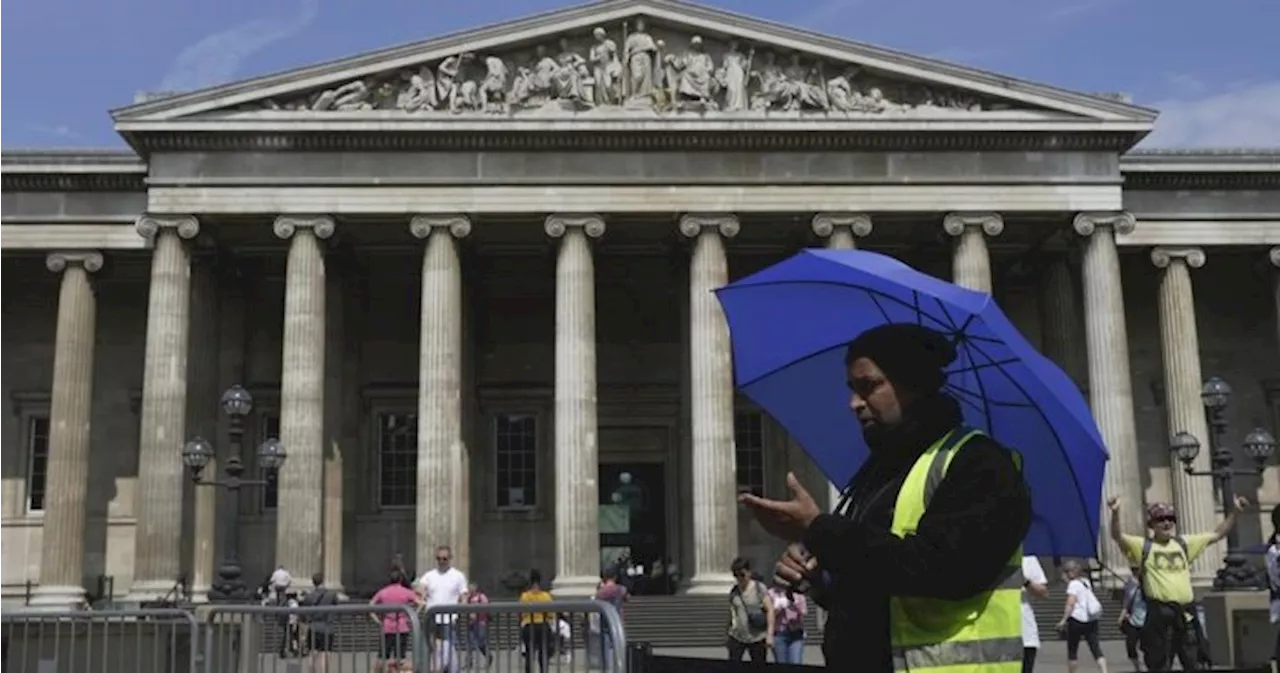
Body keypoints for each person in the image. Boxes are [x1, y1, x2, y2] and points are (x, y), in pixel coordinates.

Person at [739, 323, 1031, 672]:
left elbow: (938, 570)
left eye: (869, 386)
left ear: (915, 385)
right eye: (852, 389)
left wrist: (818, 528)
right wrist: (819, 581)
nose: (854, 403)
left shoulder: (980, 463)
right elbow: (881, 595)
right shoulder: (882, 473)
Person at [1109, 495, 1245, 671]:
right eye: (1160, 519)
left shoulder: (1183, 544)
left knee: (1196, 663)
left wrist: (1235, 511)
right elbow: (1117, 536)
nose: (1166, 523)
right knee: (1159, 665)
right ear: (1152, 524)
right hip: (1159, 616)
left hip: (1186, 615)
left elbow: (1217, 534)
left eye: (1170, 519)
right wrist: (1115, 512)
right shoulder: (1143, 546)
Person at [1056, 560, 1108, 673]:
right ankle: (1104, 671)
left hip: (1076, 620)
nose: (1063, 575)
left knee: (1072, 650)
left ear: (1070, 573)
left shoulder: (1073, 584)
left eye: (1064, 572)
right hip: (1091, 619)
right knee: (1095, 648)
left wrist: (1063, 620)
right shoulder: (1085, 581)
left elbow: (1071, 603)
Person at [371, 569, 421, 672]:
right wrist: (413, 615)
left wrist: (377, 620)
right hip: (402, 626)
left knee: (382, 656)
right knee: (400, 657)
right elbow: (421, 603)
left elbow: (370, 606)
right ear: (401, 579)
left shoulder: (383, 591)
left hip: (387, 626)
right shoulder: (405, 591)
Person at [417, 545, 468, 644]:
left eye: (444, 559)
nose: (441, 561)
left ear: (450, 558)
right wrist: (420, 596)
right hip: (431, 618)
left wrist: (462, 608)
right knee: (431, 649)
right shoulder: (429, 575)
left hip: (450, 619)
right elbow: (420, 590)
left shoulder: (458, 575)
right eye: (438, 558)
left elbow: (464, 594)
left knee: (447, 650)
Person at [726, 557, 773, 663]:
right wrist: (727, 633)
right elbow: (732, 613)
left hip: (757, 636)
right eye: (736, 575)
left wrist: (769, 634)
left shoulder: (759, 588)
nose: (739, 578)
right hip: (737, 636)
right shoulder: (734, 591)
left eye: (742, 574)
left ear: (749, 572)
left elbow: (770, 610)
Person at [300, 572, 340, 673]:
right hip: (328, 628)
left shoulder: (309, 596)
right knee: (324, 655)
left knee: (312, 655)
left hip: (313, 627)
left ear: (313, 582)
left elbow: (303, 614)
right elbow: (337, 607)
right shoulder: (331, 595)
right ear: (323, 581)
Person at [519, 569, 555, 673]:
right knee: (543, 653)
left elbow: (522, 612)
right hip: (543, 625)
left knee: (529, 653)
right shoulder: (546, 596)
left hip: (529, 626)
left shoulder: (524, 596)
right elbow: (550, 614)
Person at [1021, 555, 1050, 673]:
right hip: (996, 633)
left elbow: (1044, 592)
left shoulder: (1028, 558)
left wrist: (1025, 581)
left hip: (1025, 631)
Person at [768, 584, 807, 664]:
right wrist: (777, 609)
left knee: (796, 662)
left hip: (796, 632)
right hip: (779, 633)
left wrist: (793, 603)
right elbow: (768, 614)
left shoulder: (797, 593)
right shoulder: (771, 593)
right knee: (781, 664)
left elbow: (804, 612)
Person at [1117, 566, 1146, 672]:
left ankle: (1146, 665)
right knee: (1131, 645)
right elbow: (1127, 602)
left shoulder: (1149, 587)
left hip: (1147, 621)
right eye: (1133, 570)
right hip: (1133, 620)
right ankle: (1137, 667)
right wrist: (1122, 616)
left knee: (1146, 646)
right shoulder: (1130, 586)